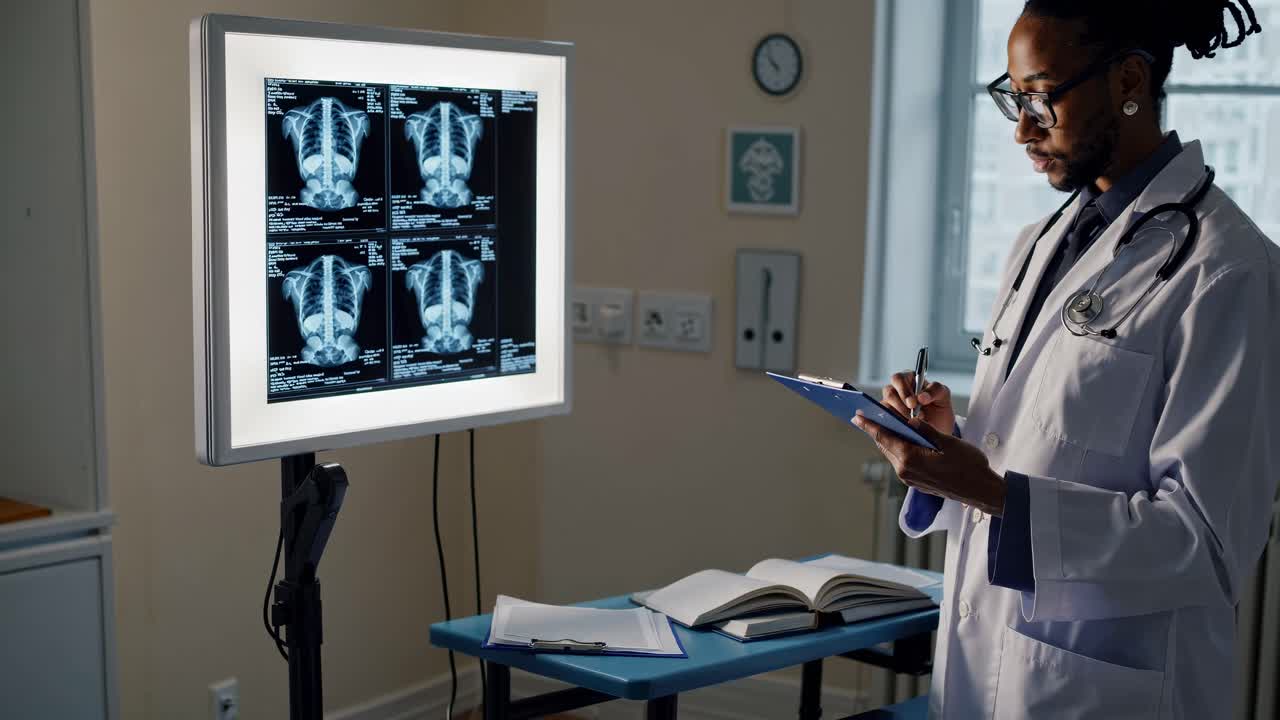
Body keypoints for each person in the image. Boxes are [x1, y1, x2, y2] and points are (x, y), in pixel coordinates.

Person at [852, 1, 1279, 717]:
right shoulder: (1037, 246)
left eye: (1042, 97)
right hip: (990, 665)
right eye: (1013, 97)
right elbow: (1039, 445)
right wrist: (948, 447)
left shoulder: (1228, 270)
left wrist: (993, 493)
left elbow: (1205, 545)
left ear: (1129, 80)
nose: (1023, 128)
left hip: (1108, 689)